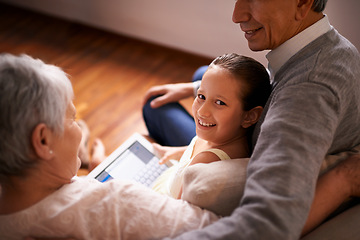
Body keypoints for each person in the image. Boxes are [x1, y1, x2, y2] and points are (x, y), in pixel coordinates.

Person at [142, 0, 360, 239]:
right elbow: (273, 79)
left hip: (235, 148)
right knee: (201, 74)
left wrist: (342, 180)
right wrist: (193, 88)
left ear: (302, 2)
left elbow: (270, 223)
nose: (236, 15)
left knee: (153, 107)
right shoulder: (331, 48)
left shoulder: (309, 89)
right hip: (238, 136)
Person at [0, 54, 219, 240]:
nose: (76, 127)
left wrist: (91, 176)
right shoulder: (116, 202)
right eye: (72, 120)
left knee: (201, 78)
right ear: (44, 141)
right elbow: (220, 229)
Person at [152, 53, 270, 203]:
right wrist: (179, 152)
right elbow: (199, 147)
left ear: (250, 116)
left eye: (220, 103)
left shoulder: (206, 160)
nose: (202, 112)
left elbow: (175, 211)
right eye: (201, 96)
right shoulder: (222, 137)